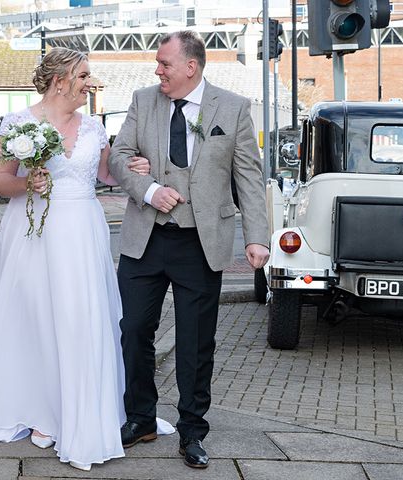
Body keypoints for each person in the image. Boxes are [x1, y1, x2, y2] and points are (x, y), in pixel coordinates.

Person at [0, 47, 154, 472]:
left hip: (82, 230)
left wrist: (131, 165)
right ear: (60, 80)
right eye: (83, 75)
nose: (89, 83)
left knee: (79, 318)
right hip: (32, 234)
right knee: (35, 319)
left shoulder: (93, 127)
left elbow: (104, 175)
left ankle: (76, 410)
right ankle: (40, 409)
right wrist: (29, 181)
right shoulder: (19, 123)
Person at [109, 31, 270, 469]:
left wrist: (258, 237)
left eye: (164, 63)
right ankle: (140, 417)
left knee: (196, 342)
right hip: (145, 240)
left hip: (201, 243)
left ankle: (192, 431)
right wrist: (148, 188)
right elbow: (118, 156)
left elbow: (249, 178)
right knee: (133, 331)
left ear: (190, 67)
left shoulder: (233, 108)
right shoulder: (144, 101)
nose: (157, 70)